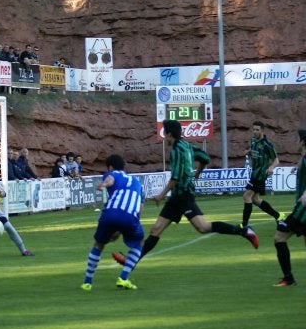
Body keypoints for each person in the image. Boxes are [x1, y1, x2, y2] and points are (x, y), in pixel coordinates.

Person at [112, 120, 260, 266]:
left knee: (203, 227)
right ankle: (131, 260)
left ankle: (245, 231)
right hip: (177, 197)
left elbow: (175, 178)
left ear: (170, 134)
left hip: (183, 196)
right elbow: (205, 158)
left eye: (165, 134)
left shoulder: (177, 150)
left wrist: (161, 194)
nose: (164, 138)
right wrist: (198, 173)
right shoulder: (188, 146)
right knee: (156, 229)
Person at [81, 154, 144, 291]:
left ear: (110, 167)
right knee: (138, 244)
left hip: (109, 214)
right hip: (130, 217)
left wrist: (103, 184)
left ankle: (87, 282)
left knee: (98, 244)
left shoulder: (112, 174)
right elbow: (139, 208)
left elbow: (110, 179)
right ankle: (123, 278)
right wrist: (127, 228)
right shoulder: (137, 182)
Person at [272, 129, 306, 287]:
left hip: (302, 210)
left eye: (297, 139)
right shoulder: (303, 158)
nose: (295, 143)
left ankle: (288, 278)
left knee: (279, 237)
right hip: (301, 208)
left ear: (303, 142)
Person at [241, 120, 282, 227]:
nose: (255, 132)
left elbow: (276, 160)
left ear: (262, 131)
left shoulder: (267, 144)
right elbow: (254, 150)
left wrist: (271, 167)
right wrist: (248, 151)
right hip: (254, 173)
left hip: (260, 174)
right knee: (255, 199)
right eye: (253, 129)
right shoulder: (253, 141)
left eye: (257, 130)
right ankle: (278, 215)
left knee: (246, 196)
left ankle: (244, 225)